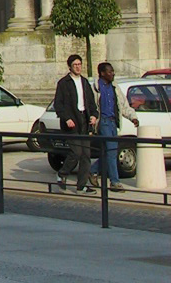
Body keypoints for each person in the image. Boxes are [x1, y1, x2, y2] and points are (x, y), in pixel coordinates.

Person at [88, 62, 138, 192]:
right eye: (110, 72)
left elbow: (123, 105)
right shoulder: (95, 88)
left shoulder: (115, 87)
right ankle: (114, 182)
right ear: (102, 73)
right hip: (103, 122)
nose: (112, 74)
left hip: (113, 122)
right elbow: (91, 106)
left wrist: (133, 117)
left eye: (113, 71)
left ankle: (93, 170)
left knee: (110, 151)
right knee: (111, 151)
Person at [53, 54, 98, 194]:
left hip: (84, 122)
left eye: (79, 64)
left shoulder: (85, 82)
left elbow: (91, 103)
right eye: (75, 65)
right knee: (76, 152)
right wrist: (66, 118)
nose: (78, 67)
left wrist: (94, 116)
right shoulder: (63, 83)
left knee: (86, 155)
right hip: (71, 123)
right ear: (70, 67)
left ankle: (81, 185)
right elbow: (58, 104)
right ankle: (62, 174)